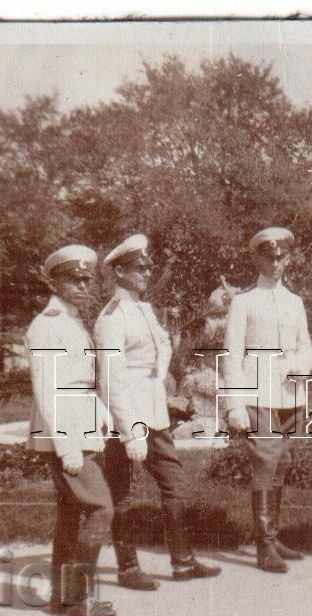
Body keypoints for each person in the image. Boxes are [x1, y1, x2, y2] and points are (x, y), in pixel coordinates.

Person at [95, 233, 221, 585]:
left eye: (148, 267)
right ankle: (129, 569)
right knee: (121, 492)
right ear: (118, 272)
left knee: (174, 482)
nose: (146, 273)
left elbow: (158, 355)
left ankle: (182, 562)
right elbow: (111, 380)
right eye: (139, 268)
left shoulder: (143, 311)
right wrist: (130, 428)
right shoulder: (112, 317)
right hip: (122, 416)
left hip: (152, 411)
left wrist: (161, 390)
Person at [25, 244, 117, 616]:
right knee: (100, 508)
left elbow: (81, 383)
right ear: (55, 281)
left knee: (71, 514)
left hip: (81, 426)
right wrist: (67, 446)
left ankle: (62, 598)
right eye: (72, 279)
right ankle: (78, 599)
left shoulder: (73, 322)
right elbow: (48, 391)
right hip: (65, 434)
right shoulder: (46, 325)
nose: (82, 285)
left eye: (86, 279)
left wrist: (100, 415)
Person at [223, 226, 312, 573]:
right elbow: (231, 354)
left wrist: (300, 365)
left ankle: (273, 537)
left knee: (281, 462)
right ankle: (263, 546)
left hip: (290, 391)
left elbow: (305, 344)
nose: (277, 264)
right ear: (257, 258)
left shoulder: (295, 302)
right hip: (257, 389)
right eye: (270, 257)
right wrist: (234, 404)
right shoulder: (244, 301)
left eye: (282, 257)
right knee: (265, 462)